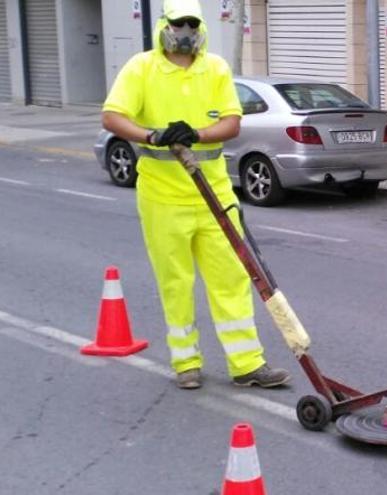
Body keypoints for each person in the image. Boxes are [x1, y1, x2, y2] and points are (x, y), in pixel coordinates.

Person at [101, 0, 290, 390]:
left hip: (214, 195)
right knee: (176, 281)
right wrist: (151, 135)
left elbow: (232, 122)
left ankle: (247, 364)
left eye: (192, 24)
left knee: (233, 279)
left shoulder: (215, 68)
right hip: (162, 197)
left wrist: (197, 134)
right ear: (164, 26)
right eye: (178, 24)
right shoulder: (142, 68)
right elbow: (113, 115)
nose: (185, 32)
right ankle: (186, 362)